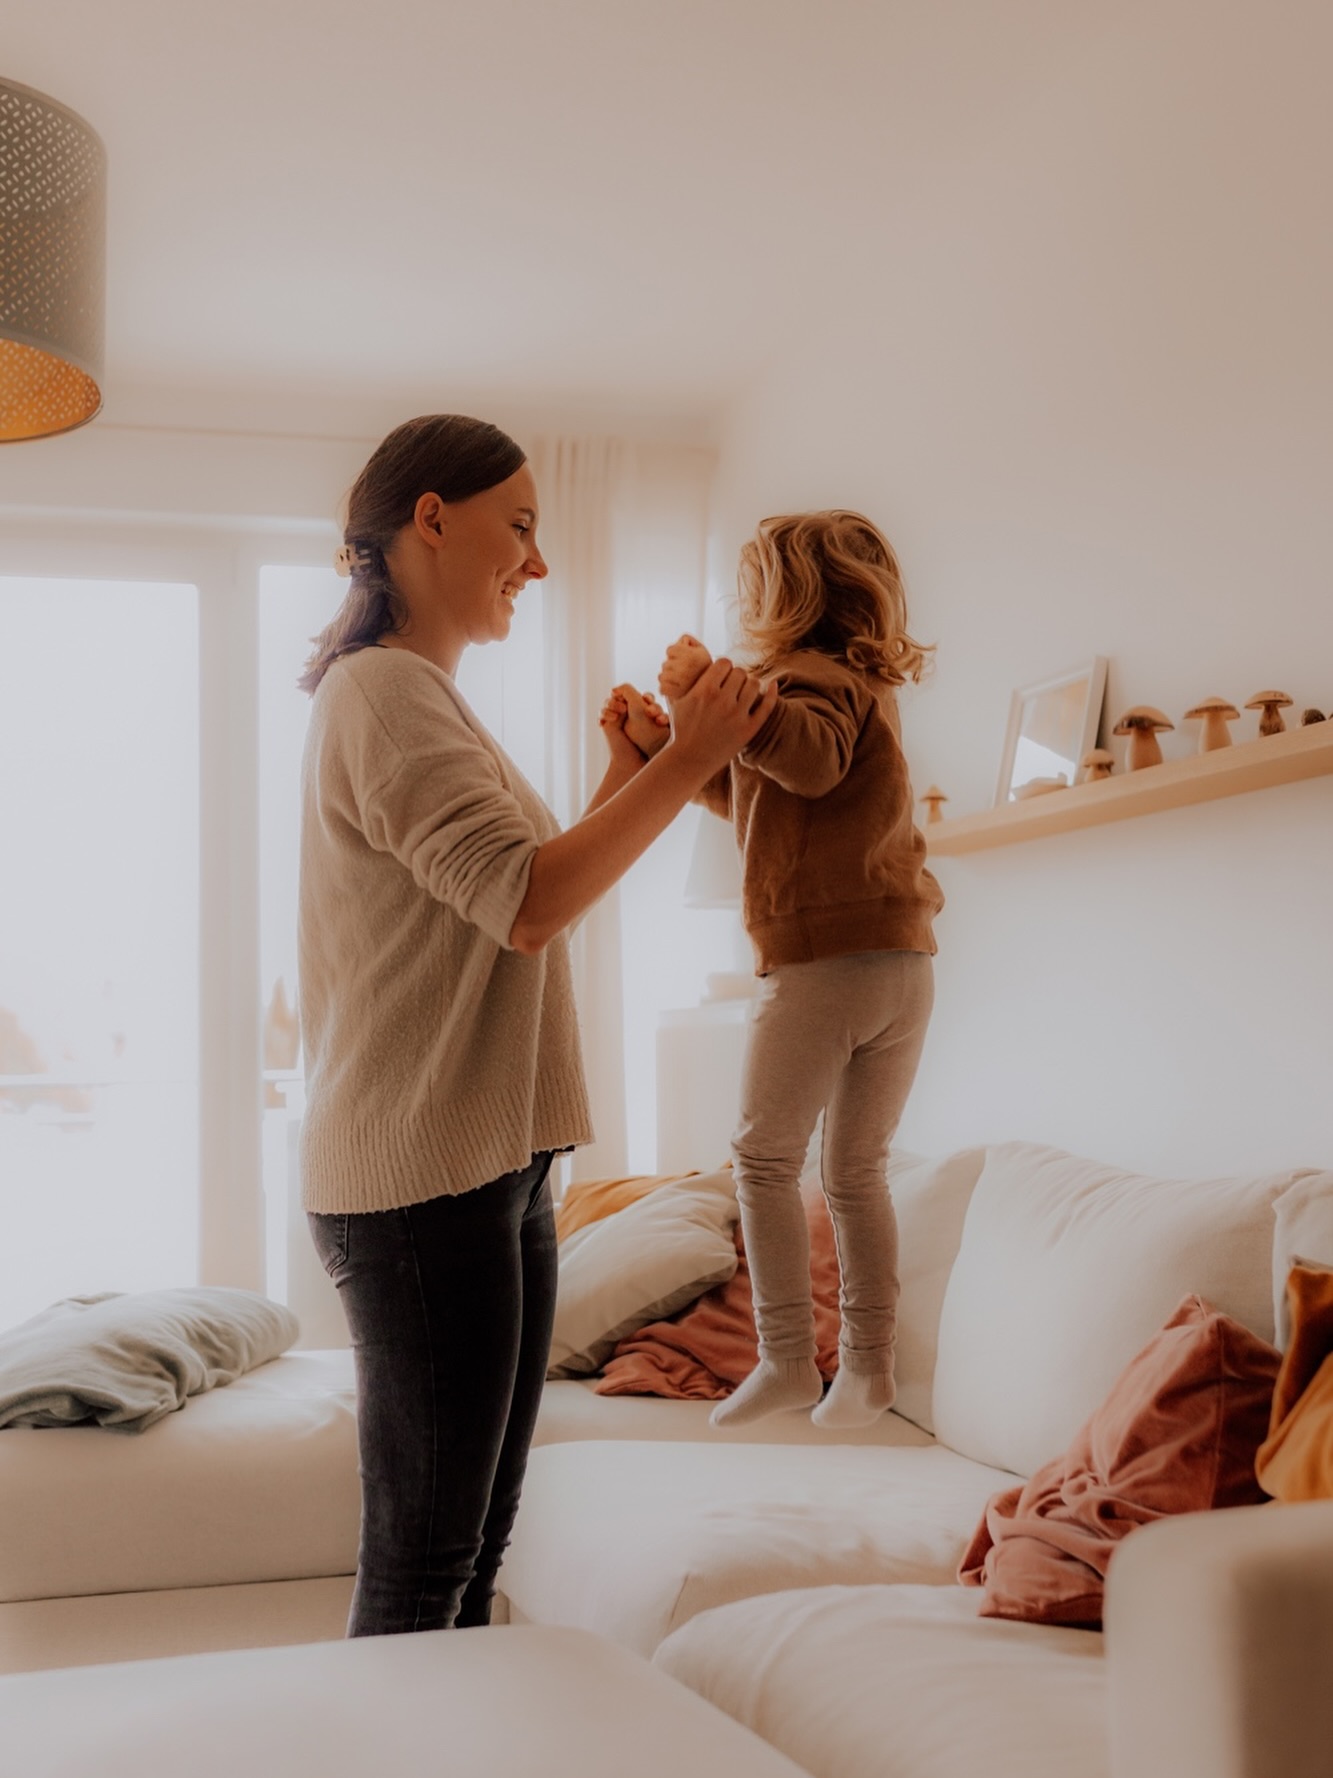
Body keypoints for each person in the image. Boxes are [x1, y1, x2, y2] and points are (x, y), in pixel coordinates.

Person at [297, 414, 776, 1636]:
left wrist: (632, 771)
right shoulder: (384, 690)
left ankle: (448, 1732)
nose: (538, 561)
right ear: (431, 519)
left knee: (469, 1549)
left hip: (486, 1164)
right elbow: (525, 904)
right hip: (423, 1180)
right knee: (426, 1562)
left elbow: (511, 896)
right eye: (520, 526)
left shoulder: (421, 694)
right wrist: (692, 758)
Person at [639, 509, 944, 1429]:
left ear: (782, 597)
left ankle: (784, 1360)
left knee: (763, 1161)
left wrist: (720, 687)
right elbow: (760, 790)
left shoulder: (804, 681)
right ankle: (868, 1369)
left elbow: (802, 764)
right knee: (854, 1172)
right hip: (902, 962)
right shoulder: (859, 686)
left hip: (823, 961)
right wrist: (670, 744)